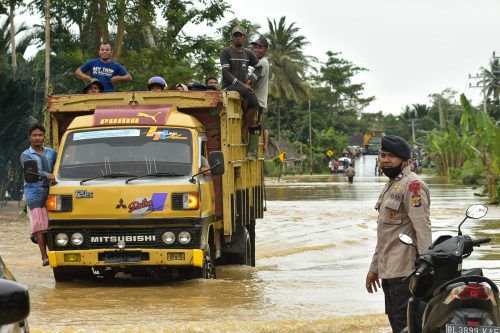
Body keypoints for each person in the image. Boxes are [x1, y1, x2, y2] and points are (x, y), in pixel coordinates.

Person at [365, 135, 432, 333]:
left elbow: (423, 228)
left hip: (406, 273)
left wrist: (425, 268)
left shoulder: (413, 186)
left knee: (406, 326)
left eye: (391, 156)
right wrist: (374, 268)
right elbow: (385, 234)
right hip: (389, 272)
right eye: (383, 155)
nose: (385, 160)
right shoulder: (391, 185)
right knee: (397, 325)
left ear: (405, 161)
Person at [20, 123, 57, 267]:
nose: (37, 138)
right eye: (34, 135)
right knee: (41, 226)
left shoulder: (51, 152)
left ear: (44, 137)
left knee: (52, 224)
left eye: (40, 135)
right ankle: (44, 257)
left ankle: (55, 253)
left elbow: (60, 164)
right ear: (29, 138)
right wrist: (46, 175)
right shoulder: (26, 155)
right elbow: (29, 172)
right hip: (34, 193)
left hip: (52, 191)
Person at [220, 25, 263, 143]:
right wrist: (241, 84)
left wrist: (250, 80)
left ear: (244, 37)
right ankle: (246, 116)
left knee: (255, 102)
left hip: (243, 87)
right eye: (236, 35)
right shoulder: (225, 52)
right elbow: (225, 73)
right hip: (229, 87)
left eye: (240, 35)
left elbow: (259, 68)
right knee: (245, 91)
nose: (238, 37)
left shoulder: (248, 53)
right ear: (232, 37)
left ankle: (244, 129)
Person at [247, 36, 270, 159]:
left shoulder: (262, 63)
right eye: (255, 47)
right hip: (256, 98)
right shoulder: (258, 62)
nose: (256, 49)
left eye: (260, 47)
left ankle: (252, 154)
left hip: (258, 100)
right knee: (254, 124)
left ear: (266, 50)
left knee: (255, 126)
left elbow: (251, 81)